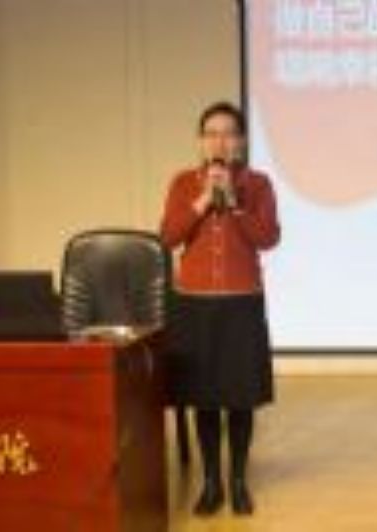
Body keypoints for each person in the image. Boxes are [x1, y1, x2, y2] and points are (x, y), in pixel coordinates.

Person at [160, 101, 281, 516]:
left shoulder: (258, 185)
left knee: (239, 397)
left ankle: (239, 481)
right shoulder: (183, 183)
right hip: (194, 305)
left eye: (228, 133)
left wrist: (234, 204)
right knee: (205, 397)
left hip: (241, 304)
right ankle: (211, 482)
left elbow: (268, 238)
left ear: (241, 141)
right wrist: (200, 202)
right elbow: (167, 237)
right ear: (201, 141)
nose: (219, 141)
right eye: (211, 134)